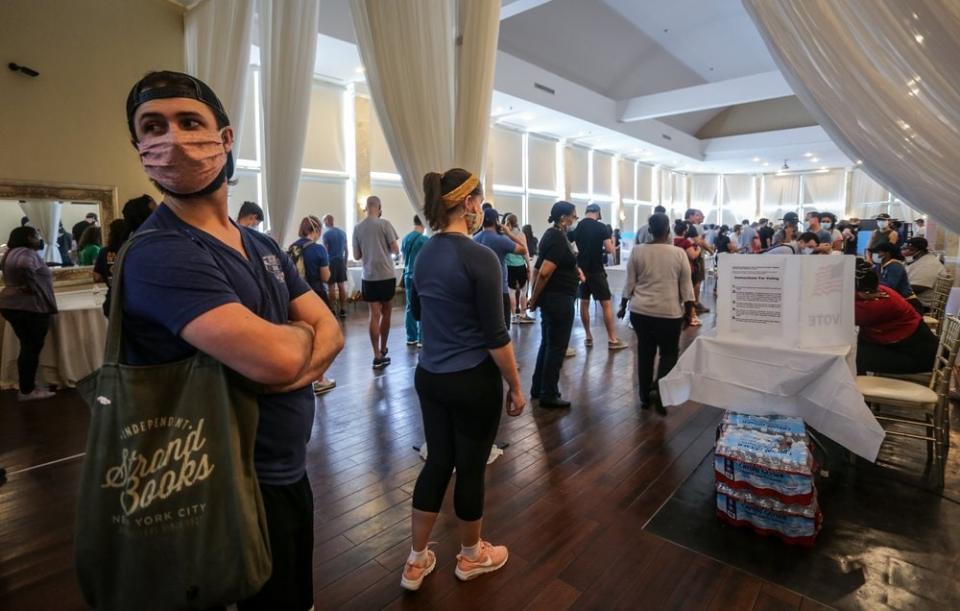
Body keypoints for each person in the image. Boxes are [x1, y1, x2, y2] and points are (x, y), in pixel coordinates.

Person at [123, 70, 343, 609]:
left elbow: (332, 330)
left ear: (224, 139)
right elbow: (275, 360)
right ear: (139, 149)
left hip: (286, 470)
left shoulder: (260, 242)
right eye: (154, 127)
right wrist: (294, 343)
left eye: (189, 122)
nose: (172, 139)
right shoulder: (160, 253)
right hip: (221, 485)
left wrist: (294, 360)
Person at [403, 168, 524, 591]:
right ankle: (471, 557)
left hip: (430, 376)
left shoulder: (424, 252)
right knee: (470, 468)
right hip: (473, 380)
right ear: (471, 203)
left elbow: (418, 312)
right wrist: (516, 383)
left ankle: (416, 561)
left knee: (438, 461)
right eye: (479, 202)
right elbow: (496, 334)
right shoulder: (480, 257)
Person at [618, 213, 695, 414]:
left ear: (649, 230)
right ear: (668, 230)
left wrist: (622, 305)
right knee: (669, 354)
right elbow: (687, 288)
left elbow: (629, 283)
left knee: (645, 353)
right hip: (669, 314)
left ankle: (644, 397)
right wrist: (689, 313)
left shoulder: (637, 251)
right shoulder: (679, 254)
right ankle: (661, 394)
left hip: (641, 312)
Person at [528, 201, 581, 408]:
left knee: (548, 344)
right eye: (573, 216)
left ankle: (538, 387)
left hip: (554, 299)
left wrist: (576, 271)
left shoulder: (553, 236)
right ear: (563, 218)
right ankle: (549, 393)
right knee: (556, 347)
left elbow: (542, 268)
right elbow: (545, 272)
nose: (574, 220)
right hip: (558, 299)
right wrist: (534, 299)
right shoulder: (558, 238)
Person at [0, 226, 58, 401]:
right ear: (28, 237)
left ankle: (29, 386)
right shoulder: (26, 253)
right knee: (31, 349)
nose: (39, 238)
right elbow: (25, 265)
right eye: (36, 235)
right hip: (28, 307)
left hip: (11, 304)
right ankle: (27, 390)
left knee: (27, 347)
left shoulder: (10, 252)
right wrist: (30, 285)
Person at [854, 259, 937, 375]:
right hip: (911, 347)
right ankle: (858, 385)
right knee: (858, 344)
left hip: (918, 358)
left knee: (855, 353)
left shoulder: (875, 305)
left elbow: (844, 315)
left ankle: (857, 388)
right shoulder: (880, 290)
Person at [569, 203, 627, 350]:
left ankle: (588, 336)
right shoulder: (601, 227)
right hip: (596, 270)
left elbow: (567, 244)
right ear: (598, 212)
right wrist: (612, 241)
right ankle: (612, 339)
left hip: (581, 269)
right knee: (606, 303)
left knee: (584, 302)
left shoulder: (577, 226)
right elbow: (609, 250)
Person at [290, 215, 336, 395]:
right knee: (319, 338)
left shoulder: (293, 247)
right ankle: (319, 379)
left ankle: (302, 376)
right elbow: (326, 277)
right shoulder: (318, 250)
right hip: (315, 295)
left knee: (302, 336)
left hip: (295, 297)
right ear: (316, 230)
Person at [353, 195, 400, 368]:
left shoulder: (358, 227)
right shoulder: (385, 224)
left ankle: (376, 355)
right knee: (387, 312)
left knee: (374, 314)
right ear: (379, 207)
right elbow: (395, 249)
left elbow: (357, 256)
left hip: (369, 275)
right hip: (386, 274)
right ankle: (384, 347)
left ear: (366, 207)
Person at [474, 208, 527, 330]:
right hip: (499, 291)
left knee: (483, 330)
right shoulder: (501, 240)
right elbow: (524, 249)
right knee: (501, 331)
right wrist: (509, 233)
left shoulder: (474, 239)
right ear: (497, 221)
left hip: (479, 291)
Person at [401, 215, 430, 345]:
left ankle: (410, 337)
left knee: (409, 306)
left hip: (407, 275)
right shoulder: (424, 240)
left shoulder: (406, 238)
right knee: (423, 306)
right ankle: (422, 338)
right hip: (420, 276)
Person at [503, 214, 534, 324]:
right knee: (523, 290)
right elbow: (525, 251)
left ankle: (513, 316)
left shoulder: (505, 235)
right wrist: (528, 266)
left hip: (509, 266)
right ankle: (523, 314)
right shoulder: (521, 234)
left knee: (511, 291)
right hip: (520, 265)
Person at [874, 241, 921, 311]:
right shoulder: (881, 266)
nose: (877, 255)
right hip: (897, 302)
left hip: (908, 303)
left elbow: (890, 286)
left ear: (887, 254)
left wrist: (874, 282)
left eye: (879, 252)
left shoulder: (895, 266)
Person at [673, 220, 703, 327]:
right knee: (689, 294)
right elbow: (693, 256)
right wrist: (699, 249)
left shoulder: (671, 241)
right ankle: (692, 317)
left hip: (674, 270)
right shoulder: (685, 242)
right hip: (686, 269)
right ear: (685, 231)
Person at [902, 237, 946, 310]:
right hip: (914, 302)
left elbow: (918, 287)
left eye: (908, 249)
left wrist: (895, 290)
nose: (905, 251)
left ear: (916, 249)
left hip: (922, 306)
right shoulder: (920, 261)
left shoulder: (929, 264)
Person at [321, 214, 349, 319]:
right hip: (341, 261)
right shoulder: (342, 233)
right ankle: (343, 310)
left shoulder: (326, 235)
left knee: (331, 287)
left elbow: (325, 251)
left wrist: (325, 265)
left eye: (323, 222)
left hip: (331, 262)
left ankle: (332, 310)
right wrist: (345, 264)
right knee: (341, 286)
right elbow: (347, 250)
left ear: (327, 222)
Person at [93, 219, 128, 285]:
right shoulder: (132, 250)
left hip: (112, 291)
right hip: (131, 291)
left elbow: (97, 277)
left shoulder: (104, 252)